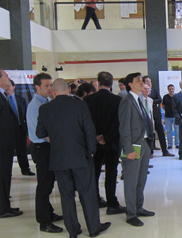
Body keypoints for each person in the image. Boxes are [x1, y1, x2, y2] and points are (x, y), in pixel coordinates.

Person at [36, 78, 111, 237]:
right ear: (69, 90)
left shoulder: (45, 109)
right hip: (81, 157)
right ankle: (93, 228)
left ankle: (73, 231)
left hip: (58, 159)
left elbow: (39, 133)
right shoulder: (80, 105)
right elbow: (89, 130)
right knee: (87, 193)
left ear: (54, 92)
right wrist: (91, 151)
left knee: (66, 195)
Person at [85, 71, 126, 215]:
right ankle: (112, 203)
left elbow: (87, 122)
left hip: (94, 143)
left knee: (94, 172)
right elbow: (117, 122)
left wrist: (96, 136)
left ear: (98, 82)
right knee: (111, 172)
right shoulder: (117, 100)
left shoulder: (88, 100)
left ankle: (95, 199)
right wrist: (106, 137)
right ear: (111, 84)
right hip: (112, 142)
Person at [26, 73, 63, 232]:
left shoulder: (47, 102)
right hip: (42, 149)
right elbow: (42, 134)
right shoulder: (36, 106)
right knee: (44, 186)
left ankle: (49, 213)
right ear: (37, 87)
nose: (50, 89)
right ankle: (44, 221)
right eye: (46, 86)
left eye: (50, 85)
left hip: (49, 148)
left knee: (48, 183)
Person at [118, 73, 155, 226]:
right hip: (133, 146)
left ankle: (139, 207)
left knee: (141, 180)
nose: (142, 82)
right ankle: (131, 213)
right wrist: (128, 149)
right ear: (130, 85)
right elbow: (124, 128)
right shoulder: (127, 101)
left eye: (142, 79)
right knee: (131, 182)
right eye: (138, 80)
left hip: (144, 144)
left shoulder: (139, 100)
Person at [0, 69, 23, 218]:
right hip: (2, 146)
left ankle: (5, 205)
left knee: (5, 176)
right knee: (2, 177)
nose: (8, 77)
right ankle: (2, 208)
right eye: (6, 75)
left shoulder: (3, 95)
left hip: (6, 145)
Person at [5, 80, 34, 175]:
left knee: (22, 150)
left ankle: (25, 169)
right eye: (6, 86)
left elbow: (25, 114)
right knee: (7, 151)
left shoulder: (21, 99)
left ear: (14, 87)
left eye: (10, 86)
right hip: (8, 130)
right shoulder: (4, 99)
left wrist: (28, 132)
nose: (8, 88)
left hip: (20, 127)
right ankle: (7, 172)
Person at [144, 76, 173, 156]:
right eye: (147, 81)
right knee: (149, 133)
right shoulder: (142, 92)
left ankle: (165, 150)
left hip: (156, 114)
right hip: (147, 115)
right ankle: (150, 151)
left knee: (161, 132)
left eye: (150, 81)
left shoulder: (155, 90)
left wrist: (150, 101)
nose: (149, 82)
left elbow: (159, 100)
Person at [162, 84, 179, 149]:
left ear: (174, 89)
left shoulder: (177, 96)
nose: (171, 90)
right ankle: (169, 144)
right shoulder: (165, 97)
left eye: (172, 89)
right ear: (168, 90)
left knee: (177, 131)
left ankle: (177, 144)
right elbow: (163, 106)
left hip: (176, 116)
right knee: (169, 131)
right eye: (170, 89)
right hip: (167, 116)